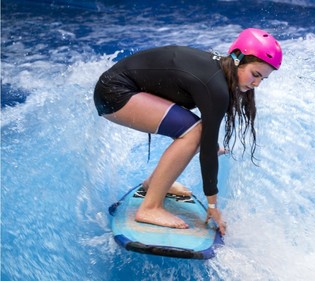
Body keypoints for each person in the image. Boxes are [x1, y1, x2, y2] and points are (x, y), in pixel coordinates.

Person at [93, 28, 282, 235]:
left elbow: (208, 139)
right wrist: (212, 206)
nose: (256, 84)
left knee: (200, 136)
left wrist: (208, 144)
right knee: (196, 133)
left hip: (126, 88)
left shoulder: (219, 70)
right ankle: (149, 208)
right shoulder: (215, 85)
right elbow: (206, 147)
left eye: (262, 79)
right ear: (237, 58)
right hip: (113, 92)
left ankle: (153, 184)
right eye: (255, 74)